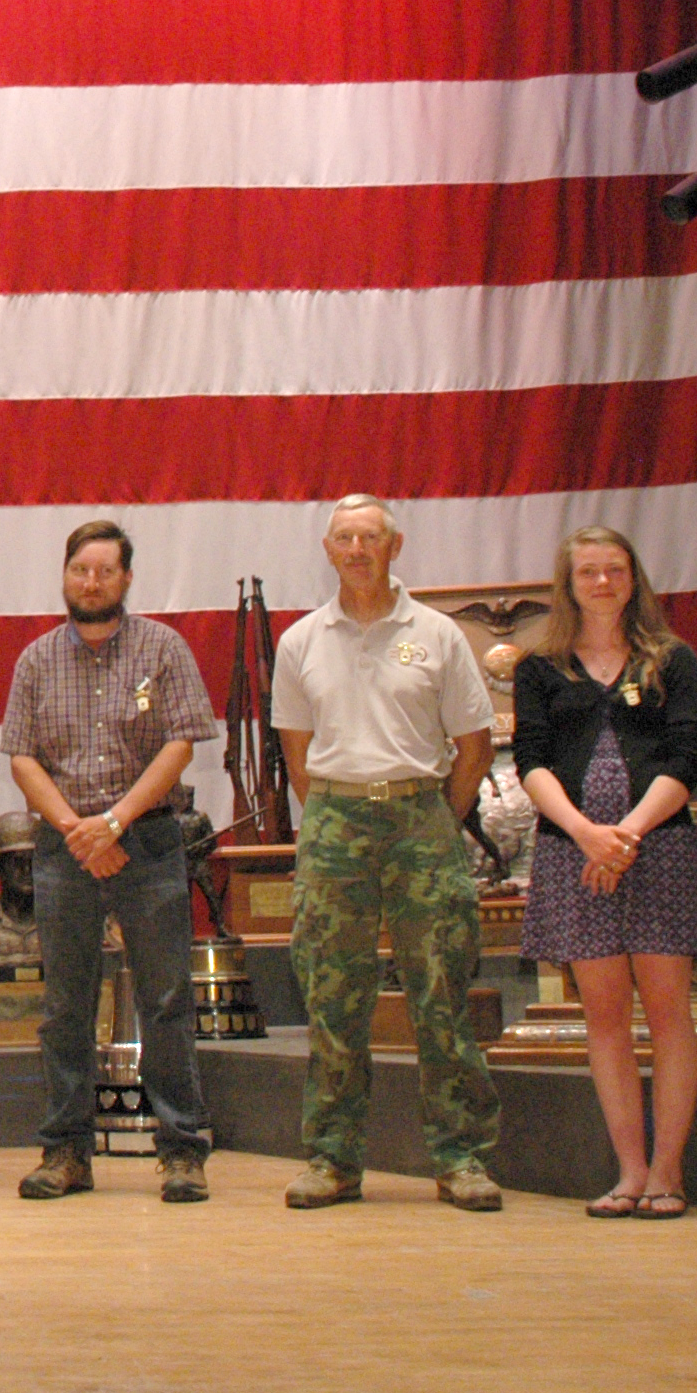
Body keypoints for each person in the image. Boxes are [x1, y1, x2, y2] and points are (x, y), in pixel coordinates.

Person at [270, 495, 502, 1212]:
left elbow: (474, 744)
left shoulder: (436, 635)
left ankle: (460, 1158)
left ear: (394, 547)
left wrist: (432, 815)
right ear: (328, 548)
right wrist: (342, 809)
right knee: (334, 997)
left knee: (440, 996)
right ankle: (332, 1159)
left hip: (420, 819)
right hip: (336, 820)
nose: (358, 549)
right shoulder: (301, 641)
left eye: (371, 537)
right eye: (346, 538)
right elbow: (297, 756)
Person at [1, 520, 219, 1205]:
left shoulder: (164, 647)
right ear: (64, 577)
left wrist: (116, 821)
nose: (90, 582)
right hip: (65, 849)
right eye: (79, 570)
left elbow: (181, 743)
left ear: (127, 579)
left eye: (104, 571)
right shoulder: (35, 660)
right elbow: (22, 756)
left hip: (149, 842)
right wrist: (76, 830)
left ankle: (182, 1151)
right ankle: (65, 1152)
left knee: (165, 1000)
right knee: (65, 1006)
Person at [512, 527, 697, 1219]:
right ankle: (629, 1171)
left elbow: (690, 755)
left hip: (659, 848)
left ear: (635, 578)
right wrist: (585, 835)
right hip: (571, 854)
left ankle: (669, 1172)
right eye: (589, 573)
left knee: (668, 1014)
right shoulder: (541, 667)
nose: (603, 583)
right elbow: (532, 761)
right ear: (567, 584)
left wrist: (627, 835)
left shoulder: (673, 659)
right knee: (603, 1017)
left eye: (615, 570)